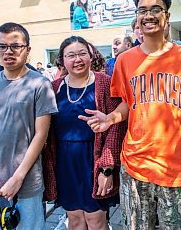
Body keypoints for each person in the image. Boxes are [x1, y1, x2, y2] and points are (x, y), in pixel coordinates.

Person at [80, 0, 181, 229]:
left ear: (167, 16)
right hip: (135, 166)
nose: (149, 15)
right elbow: (126, 103)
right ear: (137, 17)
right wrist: (111, 118)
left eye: (156, 9)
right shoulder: (124, 60)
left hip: (175, 166)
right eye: (142, 10)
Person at [0, 22, 58, 229]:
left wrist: (18, 178)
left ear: (27, 49)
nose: (8, 52)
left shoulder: (40, 84)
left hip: (27, 181)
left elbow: (40, 136)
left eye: (16, 46)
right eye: (2, 46)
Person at [43, 36, 126, 230]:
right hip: (64, 163)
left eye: (82, 54)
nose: (77, 59)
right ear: (62, 60)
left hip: (93, 161)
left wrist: (107, 169)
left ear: (91, 56)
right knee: (75, 220)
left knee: (96, 221)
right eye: (70, 55)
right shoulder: (54, 88)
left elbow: (116, 128)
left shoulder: (105, 83)